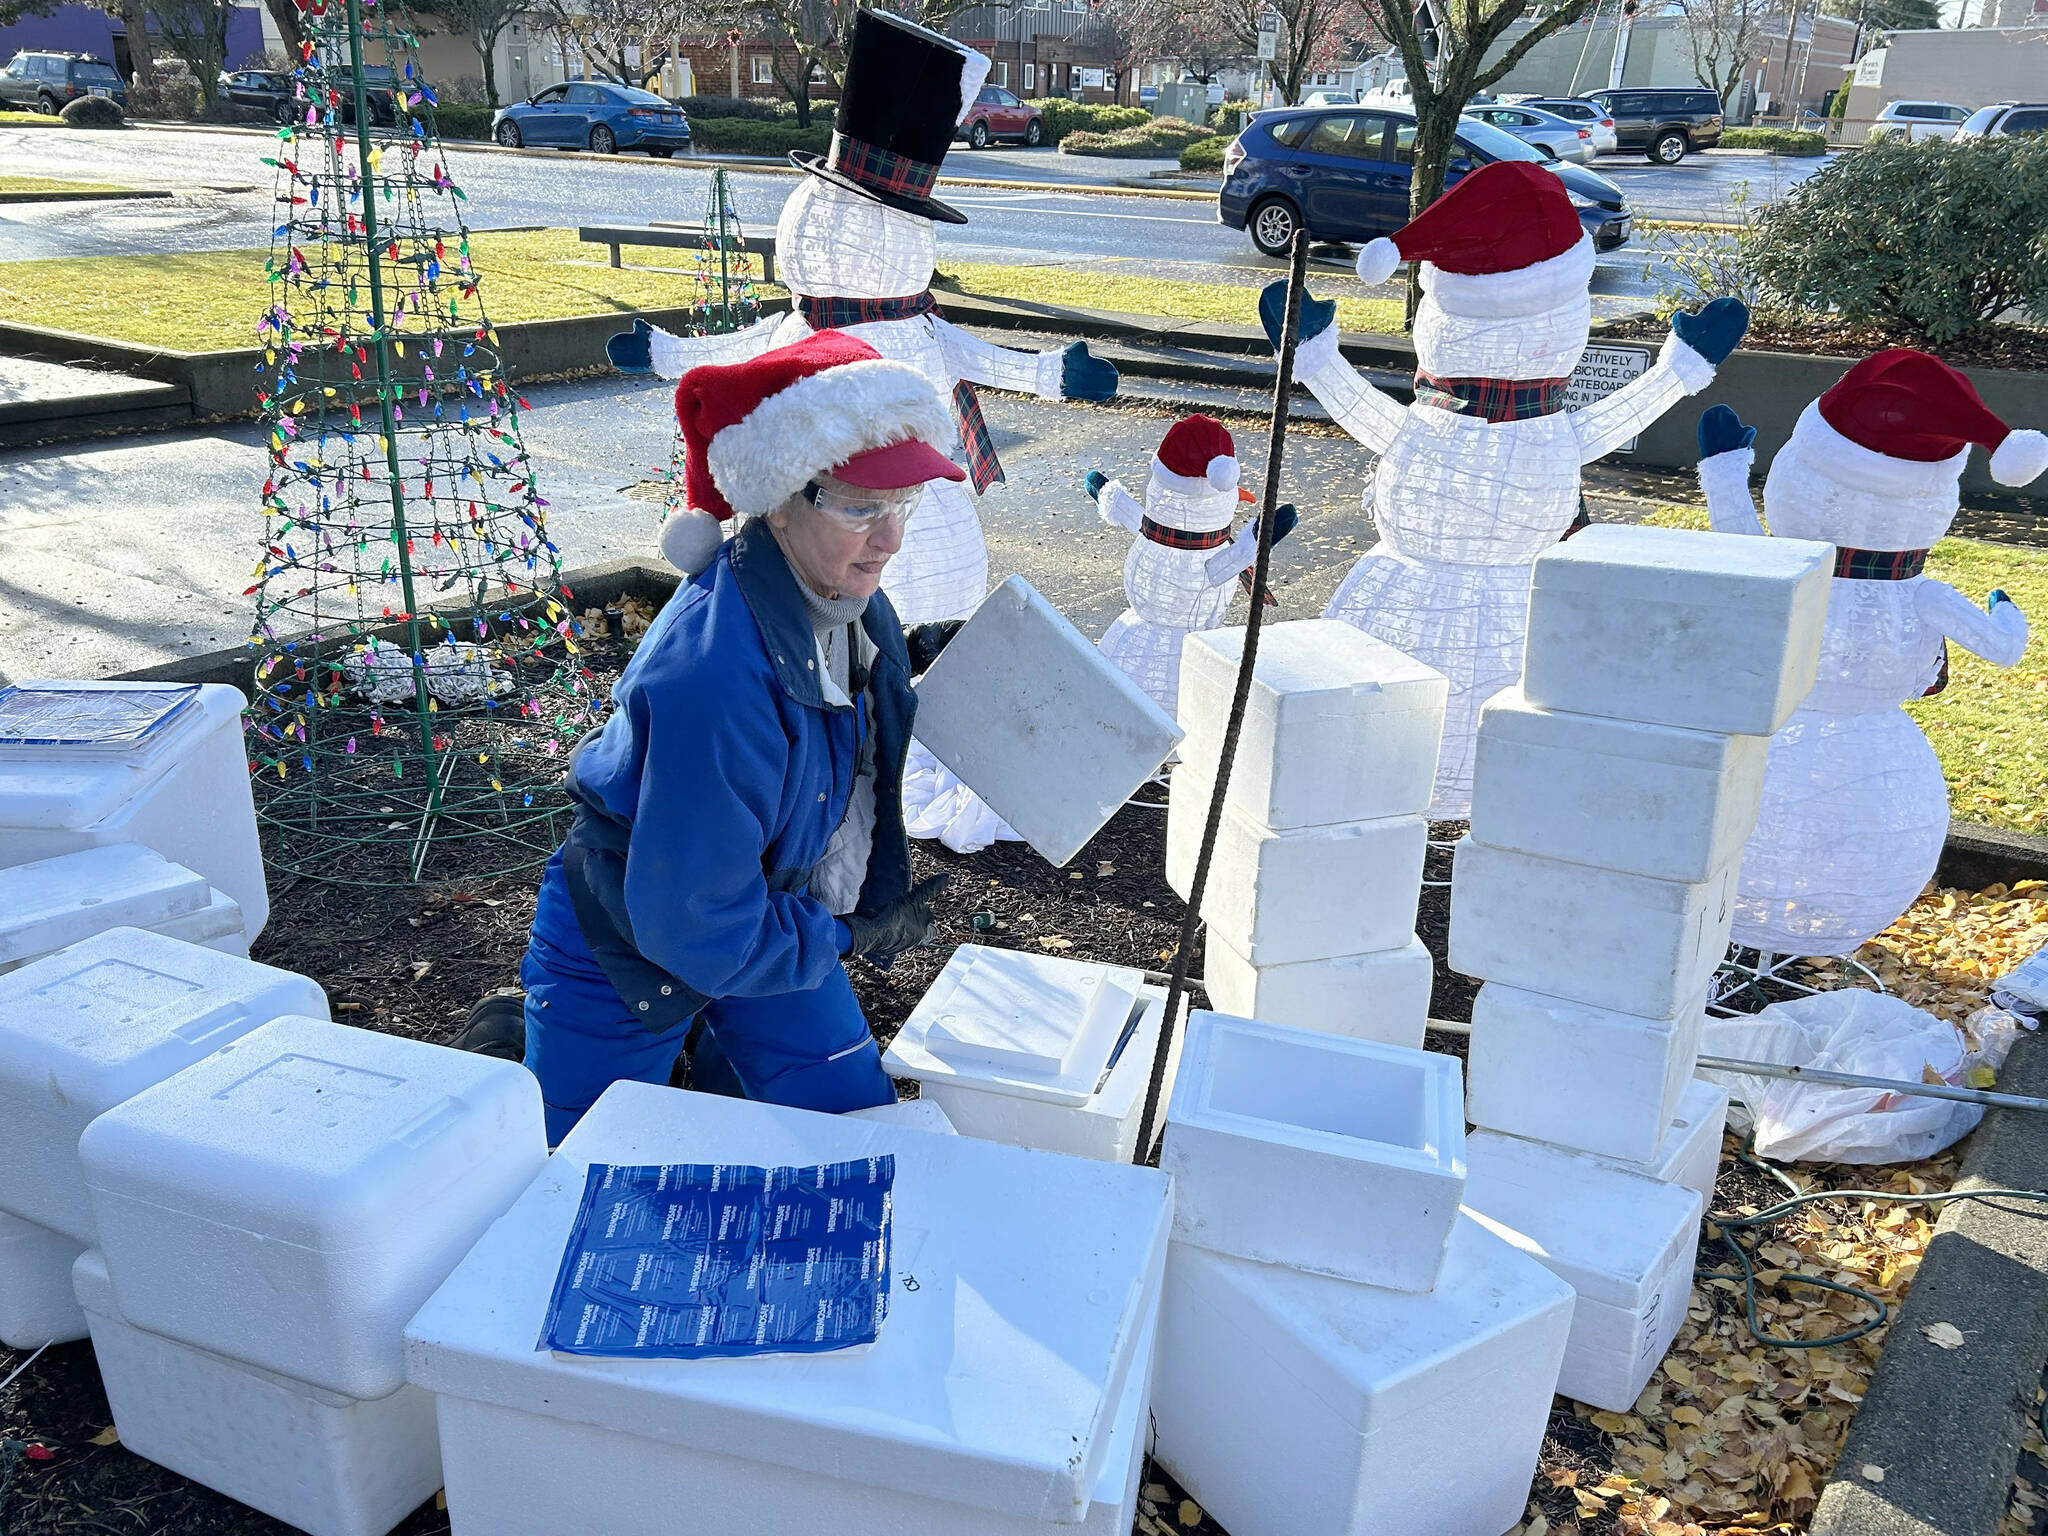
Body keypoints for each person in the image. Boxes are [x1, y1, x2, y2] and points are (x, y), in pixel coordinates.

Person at [461, 330, 964, 1142]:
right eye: (861, 504)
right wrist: (841, 935)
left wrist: (919, 667)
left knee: (854, 1126)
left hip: (759, 912)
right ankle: (512, 1043)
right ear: (780, 500)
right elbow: (695, 923)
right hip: (632, 939)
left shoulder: (848, 596)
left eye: (901, 501)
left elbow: (832, 734)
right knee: (578, 1162)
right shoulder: (712, 677)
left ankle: (714, 1050)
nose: (891, 538)